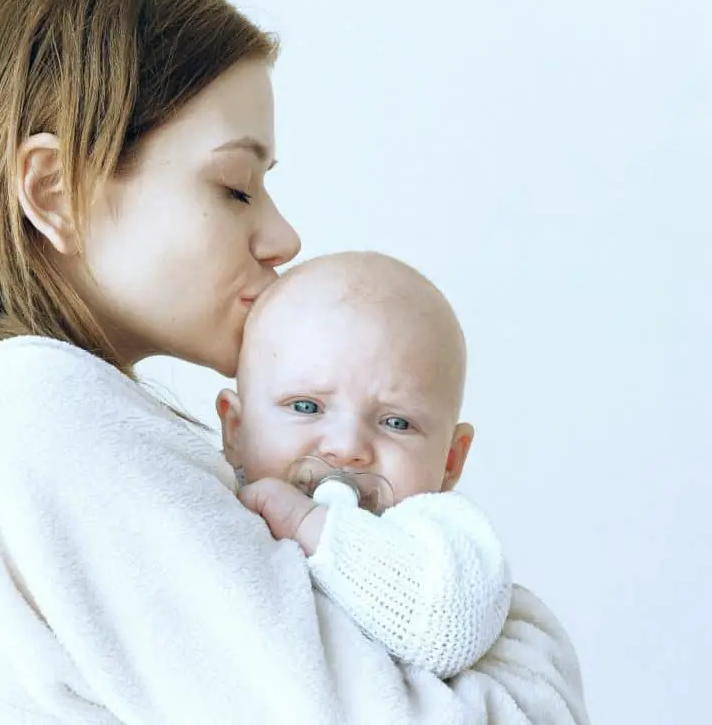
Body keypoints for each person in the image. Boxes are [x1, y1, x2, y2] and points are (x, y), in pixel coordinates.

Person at [0, 0, 590, 723]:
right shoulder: (35, 412)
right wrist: (518, 630)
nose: (283, 236)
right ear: (56, 190)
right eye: (233, 187)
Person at [218, 250, 512, 680]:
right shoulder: (210, 503)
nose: (347, 448)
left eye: (396, 422)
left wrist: (309, 527)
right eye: (306, 406)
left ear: (451, 460)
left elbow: (449, 627)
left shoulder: (443, 537)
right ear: (236, 430)